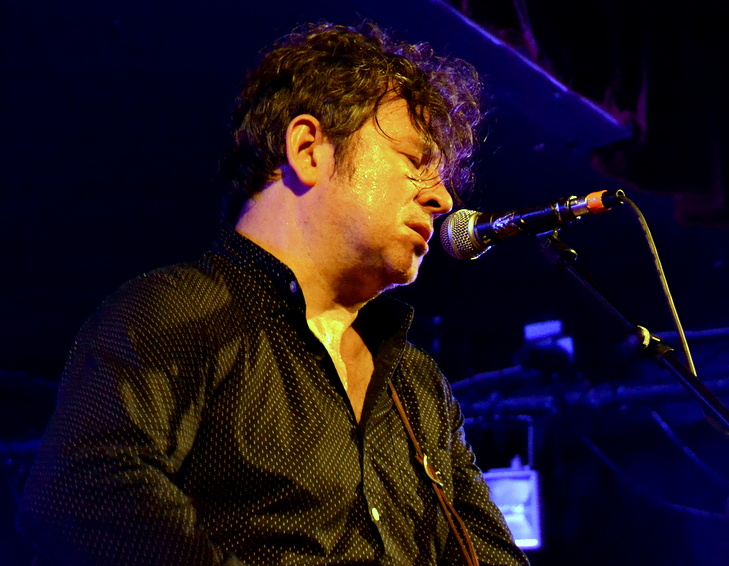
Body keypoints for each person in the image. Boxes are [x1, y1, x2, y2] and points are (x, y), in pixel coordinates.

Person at [19, 21, 529, 566]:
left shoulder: (419, 386)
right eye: (414, 162)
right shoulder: (178, 312)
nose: (443, 199)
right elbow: (80, 493)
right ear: (308, 149)